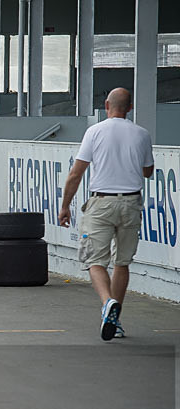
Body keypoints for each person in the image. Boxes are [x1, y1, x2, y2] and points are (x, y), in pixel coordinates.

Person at [58, 87, 153, 341]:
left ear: (107, 104)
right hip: (131, 203)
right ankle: (116, 320)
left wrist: (65, 205)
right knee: (121, 262)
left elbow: (76, 173)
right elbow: (148, 171)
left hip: (101, 203)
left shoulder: (95, 131)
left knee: (95, 260)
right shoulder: (142, 134)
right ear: (130, 108)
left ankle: (107, 302)